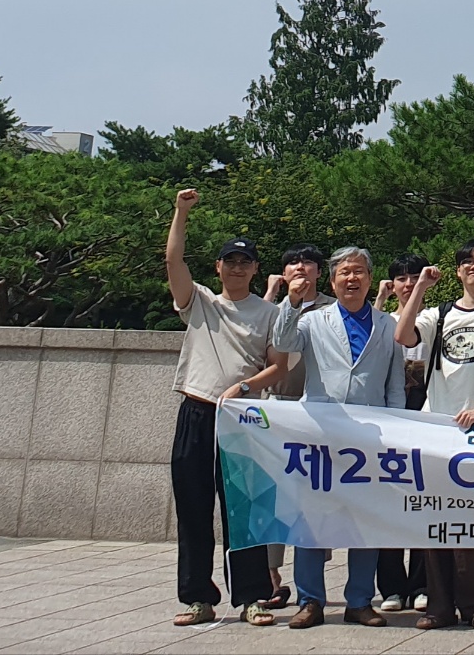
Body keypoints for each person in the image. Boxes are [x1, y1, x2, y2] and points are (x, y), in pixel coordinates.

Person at [394, 239, 474, 632]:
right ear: (457, 270)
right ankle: (438, 604)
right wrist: (420, 287)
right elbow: (403, 336)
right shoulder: (438, 315)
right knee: (436, 519)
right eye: (467, 261)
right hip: (438, 429)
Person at [164, 189, 280, 628]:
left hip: (242, 420)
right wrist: (181, 212)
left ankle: (252, 597)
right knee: (193, 508)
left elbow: (279, 366)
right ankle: (198, 597)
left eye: (245, 262)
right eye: (230, 261)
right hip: (196, 413)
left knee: (244, 511)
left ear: (255, 269)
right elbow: (173, 260)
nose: (237, 267)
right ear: (218, 267)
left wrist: (245, 386)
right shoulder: (200, 301)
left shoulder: (268, 313)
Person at [273, 245, 405, 629]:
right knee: (312, 520)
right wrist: (291, 302)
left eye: (359, 271)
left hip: (371, 437)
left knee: (366, 520)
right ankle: (310, 601)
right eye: (344, 272)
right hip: (321, 433)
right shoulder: (313, 320)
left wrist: (396, 427)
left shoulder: (387, 324)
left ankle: (360, 601)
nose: (352, 278)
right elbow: (283, 343)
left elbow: (395, 384)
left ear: (370, 278)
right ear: (332, 281)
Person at [261, 244, 333, 611]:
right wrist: (273, 293)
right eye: (292, 262)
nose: (300, 267)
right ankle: (271, 576)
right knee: (272, 495)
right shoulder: (273, 308)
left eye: (308, 262)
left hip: (319, 411)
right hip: (276, 407)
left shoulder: (332, 308)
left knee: (314, 495)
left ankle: (312, 578)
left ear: (320, 271)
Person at [373, 254, 430, 614]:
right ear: (392, 285)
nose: (408, 284)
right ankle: (392, 586)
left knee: (424, 502)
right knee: (389, 504)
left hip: (427, 416)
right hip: (388, 418)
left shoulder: (437, 318)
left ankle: (423, 584)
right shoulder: (381, 321)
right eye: (401, 279)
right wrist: (379, 301)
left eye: (414, 277)